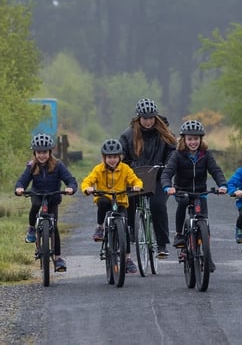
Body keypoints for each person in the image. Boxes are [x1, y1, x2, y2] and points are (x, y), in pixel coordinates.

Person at [161, 120, 227, 271]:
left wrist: (222, 185)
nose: (193, 142)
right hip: (182, 190)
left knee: (204, 222)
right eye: (190, 139)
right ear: (183, 139)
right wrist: (167, 186)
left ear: (201, 139)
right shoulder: (177, 155)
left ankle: (207, 258)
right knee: (183, 201)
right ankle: (179, 234)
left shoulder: (206, 155)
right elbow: (167, 172)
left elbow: (215, 171)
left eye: (196, 139)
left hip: (200, 192)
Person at [119, 98, 176, 259]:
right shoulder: (128, 135)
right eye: (145, 118)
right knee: (129, 201)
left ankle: (162, 244)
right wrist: (127, 166)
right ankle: (131, 229)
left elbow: (173, 152)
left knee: (158, 205)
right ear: (139, 118)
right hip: (135, 177)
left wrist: (167, 166)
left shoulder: (165, 133)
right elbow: (120, 156)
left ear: (155, 117)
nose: (148, 122)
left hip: (159, 177)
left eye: (151, 118)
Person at [14, 133, 78, 272]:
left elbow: (70, 180)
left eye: (44, 152)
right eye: (39, 153)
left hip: (53, 197)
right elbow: (22, 180)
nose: (42, 155)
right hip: (37, 195)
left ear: (50, 152)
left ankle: (58, 258)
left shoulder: (58, 165)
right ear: (34, 153)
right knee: (35, 206)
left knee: (53, 227)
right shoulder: (31, 166)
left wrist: (70, 188)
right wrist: (19, 188)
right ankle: (32, 228)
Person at [81, 138, 143, 274]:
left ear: (120, 156)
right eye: (109, 157)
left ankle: (127, 259)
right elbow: (87, 180)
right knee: (102, 202)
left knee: (125, 228)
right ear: (104, 157)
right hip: (105, 199)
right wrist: (88, 188)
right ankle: (99, 227)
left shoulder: (125, 169)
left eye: (115, 157)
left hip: (120, 201)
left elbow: (135, 179)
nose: (112, 160)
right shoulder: (98, 169)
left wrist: (137, 185)